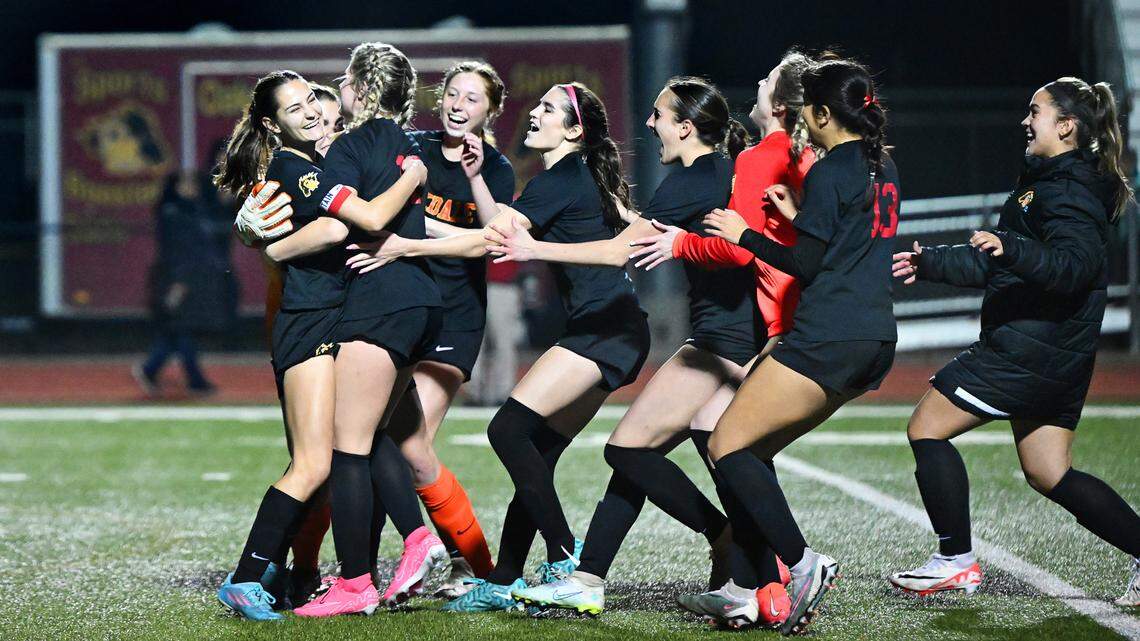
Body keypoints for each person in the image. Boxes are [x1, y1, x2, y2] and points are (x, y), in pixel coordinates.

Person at [489, 75, 793, 622]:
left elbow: (616, 253)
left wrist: (535, 248)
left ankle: (739, 546)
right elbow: (656, 230)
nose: (649, 124)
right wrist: (623, 213)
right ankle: (753, 576)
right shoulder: (727, 170)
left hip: (719, 342)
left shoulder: (685, 183)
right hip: (749, 334)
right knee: (710, 454)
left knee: (629, 450)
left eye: (659, 115)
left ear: (686, 126)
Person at [344, 81, 651, 613]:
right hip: (617, 328)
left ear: (574, 130)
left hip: (601, 332)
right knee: (538, 454)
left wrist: (403, 244)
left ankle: (564, 556)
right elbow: (502, 229)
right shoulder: (576, 175)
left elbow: (492, 242)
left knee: (506, 430)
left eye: (549, 109)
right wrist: (472, 186)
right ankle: (506, 575)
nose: (535, 113)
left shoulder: (560, 177)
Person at [888, 77, 1140, 607]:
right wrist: (932, 262)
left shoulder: (1068, 190)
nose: (1025, 121)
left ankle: (955, 560)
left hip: (1032, 349)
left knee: (926, 427)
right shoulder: (1049, 181)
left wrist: (1012, 248)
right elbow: (1002, 263)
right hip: (1055, 356)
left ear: (1066, 126)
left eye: (1035, 112)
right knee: (1049, 472)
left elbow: (1073, 268)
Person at [677, 57, 899, 635]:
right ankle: (749, 585)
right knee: (752, 452)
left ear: (822, 114)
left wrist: (744, 234)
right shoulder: (882, 165)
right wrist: (797, 213)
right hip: (874, 337)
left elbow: (807, 264)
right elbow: (845, 245)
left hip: (828, 336)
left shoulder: (830, 169)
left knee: (726, 445)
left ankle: (801, 566)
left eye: (808, 113)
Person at [212, 70, 351, 621]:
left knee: (329, 463)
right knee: (314, 464)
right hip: (309, 321)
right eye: (295, 108)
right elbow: (336, 228)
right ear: (273, 125)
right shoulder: (293, 168)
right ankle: (249, 577)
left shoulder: (310, 162)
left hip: (325, 317)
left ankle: (290, 574)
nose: (311, 111)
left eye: (312, 99)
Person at [385, 60, 515, 596]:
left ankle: (474, 565)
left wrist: (418, 231)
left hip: (454, 318)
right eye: (452, 94)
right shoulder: (412, 147)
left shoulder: (495, 169)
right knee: (373, 443)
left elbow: (496, 237)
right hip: (399, 309)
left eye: (472, 98)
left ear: (490, 111)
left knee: (409, 447)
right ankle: (357, 568)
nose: (458, 105)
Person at [134, 169, 228, 396]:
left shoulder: (194, 210)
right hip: (178, 279)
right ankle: (193, 380)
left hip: (192, 279)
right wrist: (179, 281)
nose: (191, 188)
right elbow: (177, 251)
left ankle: (151, 370)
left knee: (177, 331)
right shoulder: (173, 213)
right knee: (183, 329)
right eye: (185, 184)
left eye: (193, 184)